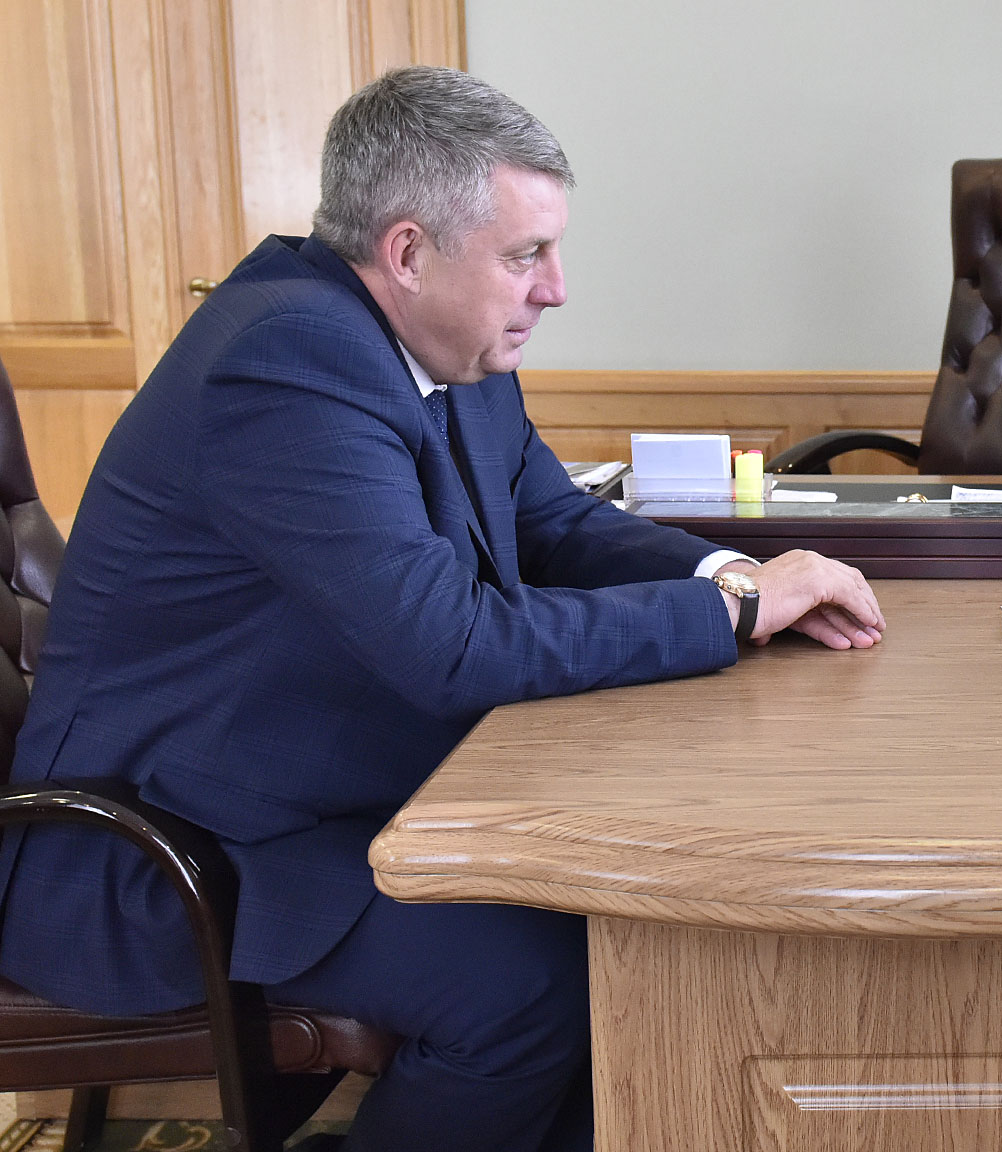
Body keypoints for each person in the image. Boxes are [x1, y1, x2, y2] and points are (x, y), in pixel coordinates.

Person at [0, 67, 885, 1152]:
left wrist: (732, 576)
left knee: (622, 939)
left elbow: (552, 522)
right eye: (525, 255)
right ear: (409, 252)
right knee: (541, 981)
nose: (555, 289)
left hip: (311, 794)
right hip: (167, 853)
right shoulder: (286, 360)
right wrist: (734, 615)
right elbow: (453, 646)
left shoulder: (441, 346)